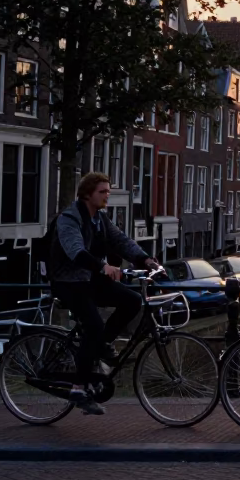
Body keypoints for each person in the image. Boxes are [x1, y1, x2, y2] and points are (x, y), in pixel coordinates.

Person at [49, 173, 160, 415]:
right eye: (102, 192)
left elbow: (121, 241)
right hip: (68, 282)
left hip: (90, 281)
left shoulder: (100, 219)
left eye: (108, 191)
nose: (107, 195)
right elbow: (75, 251)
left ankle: (101, 345)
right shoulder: (69, 219)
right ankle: (79, 388)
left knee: (132, 300)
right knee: (94, 325)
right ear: (87, 194)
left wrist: (145, 259)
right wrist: (103, 267)